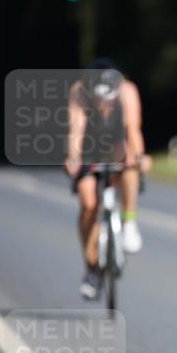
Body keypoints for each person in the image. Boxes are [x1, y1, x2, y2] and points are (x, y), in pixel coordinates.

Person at [64, 58, 149, 300]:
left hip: (116, 144)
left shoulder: (127, 90)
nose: (103, 104)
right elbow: (76, 130)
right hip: (90, 145)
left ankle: (129, 221)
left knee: (130, 160)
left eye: (107, 99)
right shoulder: (79, 92)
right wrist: (72, 158)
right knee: (88, 204)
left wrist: (140, 157)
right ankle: (91, 270)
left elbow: (133, 128)